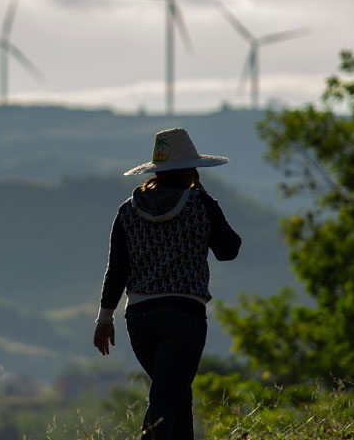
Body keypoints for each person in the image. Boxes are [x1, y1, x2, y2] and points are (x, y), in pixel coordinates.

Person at [93, 127, 242, 440]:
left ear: (157, 171)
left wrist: (105, 318)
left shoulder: (128, 210)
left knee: (176, 396)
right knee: (165, 400)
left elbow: (117, 269)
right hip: (183, 316)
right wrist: (209, 207)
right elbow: (229, 251)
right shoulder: (201, 205)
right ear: (190, 169)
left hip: (139, 319)